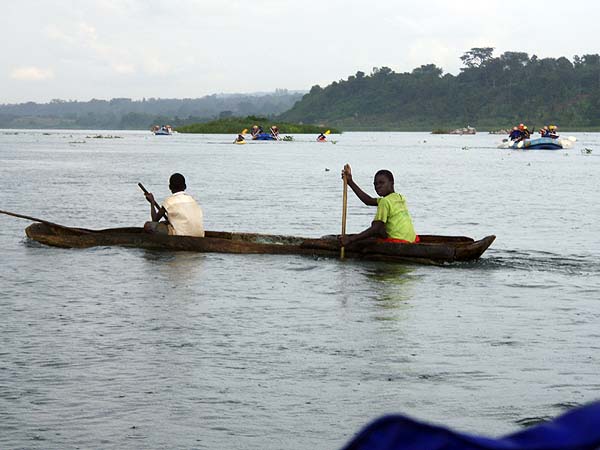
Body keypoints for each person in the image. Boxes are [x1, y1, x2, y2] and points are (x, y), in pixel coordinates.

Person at [340, 164, 418, 247]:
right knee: (381, 227)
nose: (378, 186)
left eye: (381, 183)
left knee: (377, 227)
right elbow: (368, 200)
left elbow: (376, 229)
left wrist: (351, 239)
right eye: (375, 184)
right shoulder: (400, 197)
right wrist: (350, 182)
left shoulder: (384, 202)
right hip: (412, 239)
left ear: (392, 183)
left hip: (398, 241)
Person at [143, 173, 205, 237]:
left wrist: (152, 202)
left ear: (170, 187)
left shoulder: (169, 201)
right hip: (199, 234)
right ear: (185, 186)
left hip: (179, 235)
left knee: (148, 225)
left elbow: (155, 220)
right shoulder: (193, 200)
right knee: (165, 223)